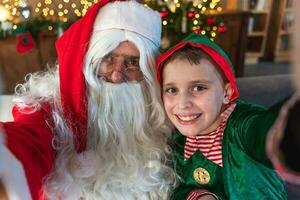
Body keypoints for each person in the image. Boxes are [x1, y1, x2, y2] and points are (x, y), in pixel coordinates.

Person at [0, 0, 176, 199]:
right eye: (107, 58)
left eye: (133, 63)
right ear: (87, 59)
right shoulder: (49, 106)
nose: (117, 75)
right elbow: (28, 141)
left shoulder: (167, 112)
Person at [156, 32, 290, 200]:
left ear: (226, 93)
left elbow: (265, 130)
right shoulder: (178, 140)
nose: (182, 104)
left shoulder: (241, 127)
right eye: (172, 90)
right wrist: (199, 195)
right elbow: (176, 187)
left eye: (198, 88)